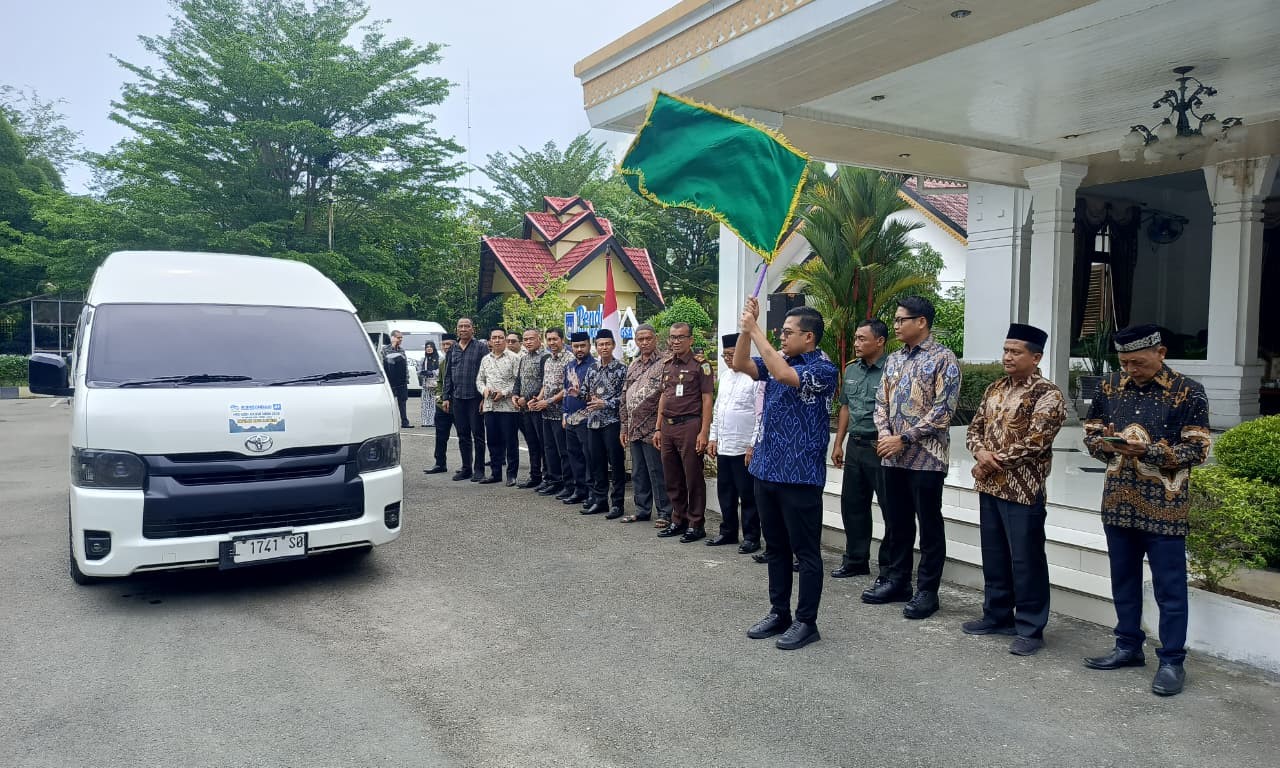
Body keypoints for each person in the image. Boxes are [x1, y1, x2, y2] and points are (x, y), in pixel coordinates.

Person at [1081, 323, 1209, 697]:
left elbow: (1198, 449)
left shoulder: (1189, 392)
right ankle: (1127, 647)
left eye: (1137, 362)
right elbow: (1090, 430)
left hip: (1165, 505)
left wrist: (1150, 452)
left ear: (1161, 353)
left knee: (1170, 589)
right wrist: (1104, 444)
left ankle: (1171, 661)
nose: (1131, 370)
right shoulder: (1109, 386)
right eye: (1124, 363)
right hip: (1118, 500)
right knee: (1123, 580)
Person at [731, 301, 837, 651]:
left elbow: (782, 377)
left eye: (788, 332)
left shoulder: (823, 369)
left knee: (805, 553)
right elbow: (741, 363)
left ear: (809, 337)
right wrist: (747, 332)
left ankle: (807, 621)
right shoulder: (782, 359)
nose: (782, 337)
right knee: (775, 547)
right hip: (766, 469)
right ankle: (779, 612)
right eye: (781, 332)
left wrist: (757, 330)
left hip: (800, 476)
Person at [962, 323, 1067, 657]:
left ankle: (1030, 627)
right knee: (994, 555)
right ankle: (997, 615)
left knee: (1026, 560)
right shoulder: (995, 388)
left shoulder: (1048, 395)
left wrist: (989, 462)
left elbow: (1035, 443)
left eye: (1016, 351)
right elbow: (974, 428)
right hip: (991, 486)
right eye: (1006, 350)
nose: (1007, 356)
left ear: (1035, 357)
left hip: (1024, 490)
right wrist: (979, 453)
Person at [867, 296, 962, 620]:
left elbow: (943, 411)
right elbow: (881, 401)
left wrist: (904, 438)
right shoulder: (893, 360)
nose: (895, 326)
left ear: (921, 321)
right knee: (897, 522)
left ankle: (927, 591)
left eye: (900, 320)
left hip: (926, 458)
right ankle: (897, 581)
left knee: (929, 524)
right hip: (892, 456)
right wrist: (884, 434)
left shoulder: (943, 359)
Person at [830, 319, 888, 578]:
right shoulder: (852, 370)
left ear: (880, 341)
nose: (856, 343)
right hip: (855, 444)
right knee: (852, 505)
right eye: (855, 338)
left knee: (890, 508)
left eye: (862, 339)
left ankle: (889, 568)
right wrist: (838, 442)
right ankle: (855, 559)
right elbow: (845, 406)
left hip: (881, 446)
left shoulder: (891, 370)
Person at [654, 322, 714, 542]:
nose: (676, 341)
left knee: (693, 477)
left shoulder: (701, 366)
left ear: (691, 340)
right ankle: (678, 519)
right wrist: (659, 427)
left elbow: (707, 399)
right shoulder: (667, 364)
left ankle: (696, 524)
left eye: (681, 337)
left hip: (690, 425)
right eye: (672, 337)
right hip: (668, 426)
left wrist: (704, 431)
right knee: (672, 476)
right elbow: (664, 396)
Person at [707, 332, 762, 552]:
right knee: (726, 493)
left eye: (732, 354)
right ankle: (728, 532)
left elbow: (759, 414)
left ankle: (751, 536)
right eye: (725, 355)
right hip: (725, 446)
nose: (728, 359)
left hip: (744, 447)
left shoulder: (754, 377)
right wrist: (713, 437)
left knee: (747, 495)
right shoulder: (725, 377)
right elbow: (718, 410)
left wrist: (753, 444)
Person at [619, 324, 673, 525]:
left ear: (655, 339)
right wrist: (624, 426)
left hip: (653, 428)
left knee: (656, 471)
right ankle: (642, 510)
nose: (644, 343)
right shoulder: (633, 365)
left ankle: (665, 512)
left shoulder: (664, 362)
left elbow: (665, 394)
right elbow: (624, 396)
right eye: (640, 339)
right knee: (638, 472)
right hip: (634, 428)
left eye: (648, 338)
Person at [582, 329, 628, 517]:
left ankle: (617, 504)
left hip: (612, 422)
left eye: (607, 344)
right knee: (596, 463)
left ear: (613, 345)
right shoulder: (592, 368)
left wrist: (606, 403)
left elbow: (625, 397)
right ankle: (600, 500)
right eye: (600, 344)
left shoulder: (621, 368)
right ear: (596, 346)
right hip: (593, 422)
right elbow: (585, 391)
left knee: (616, 464)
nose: (604, 347)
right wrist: (579, 392)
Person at [442, 317, 487, 482]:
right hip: (457, 398)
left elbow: (486, 374)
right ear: (457, 330)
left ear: (472, 329)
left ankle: (479, 470)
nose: (463, 329)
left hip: (475, 398)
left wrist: (484, 398)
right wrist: (446, 397)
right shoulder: (453, 348)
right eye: (460, 326)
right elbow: (448, 375)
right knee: (463, 435)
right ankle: (466, 468)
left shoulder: (481, 348)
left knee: (478, 435)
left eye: (467, 326)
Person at [476, 327, 521, 485]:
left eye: (500, 337)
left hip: (508, 407)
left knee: (510, 441)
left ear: (505, 339)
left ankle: (511, 475)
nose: (497, 340)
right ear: (490, 340)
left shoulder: (514, 358)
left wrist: (504, 392)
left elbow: (517, 381)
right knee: (493, 441)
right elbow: (479, 380)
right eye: (494, 337)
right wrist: (484, 390)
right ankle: (495, 473)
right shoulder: (485, 359)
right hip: (490, 406)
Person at [531, 327, 571, 498]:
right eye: (549, 339)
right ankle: (554, 482)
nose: (552, 343)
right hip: (546, 412)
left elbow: (567, 389)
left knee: (564, 451)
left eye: (555, 339)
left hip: (561, 413)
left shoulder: (569, 359)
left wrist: (546, 401)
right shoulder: (548, 360)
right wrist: (537, 398)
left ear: (562, 340)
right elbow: (545, 385)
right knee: (549, 449)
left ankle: (567, 484)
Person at [561, 331, 597, 506]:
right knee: (574, 456)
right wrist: (564, 414)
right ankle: (579, 489)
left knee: (588, 457)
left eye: (583, 345)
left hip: (587, 419)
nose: (579, 349)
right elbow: (566, 391)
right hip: (570, 419)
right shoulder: (568, 366)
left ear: (589, 346)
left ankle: (592, 492)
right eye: (576, 346)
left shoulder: (595, 366)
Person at [513, 328, 548, 490]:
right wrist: (515, 394)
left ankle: (548, 477)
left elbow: (544, 383)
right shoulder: (524, 358)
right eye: (525, 339)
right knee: (532, 444)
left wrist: (526, 398)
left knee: (544, 444)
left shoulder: (545, 357)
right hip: (525, 409)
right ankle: (535, 476)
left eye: (531, 339)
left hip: (538, 407)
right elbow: (519, 379)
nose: (528, 342)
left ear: (539, 339)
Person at [424, 334, 457, 475]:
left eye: (448, 344)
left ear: (455, 344)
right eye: (443, 345)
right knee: (441, 436)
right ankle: (440, 463)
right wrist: (439, 397)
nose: (446, 347)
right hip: (442, 405)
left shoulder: (460, 361)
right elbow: (439, 382)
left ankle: (468, 466)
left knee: (465, 437)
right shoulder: (443, 362)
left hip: (459, 404)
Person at [381, 329, 412, 429]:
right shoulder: (385, 349)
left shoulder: (402, 350)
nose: (400, 339)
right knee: (390, 402)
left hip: (401, 381)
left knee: (402, 402)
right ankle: (389, 422)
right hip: (390, 381)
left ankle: (405, 421)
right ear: (393, 338)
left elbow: (404, 365)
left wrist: (406, 378)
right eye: (398, 337)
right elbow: (385, 363)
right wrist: (393, 346)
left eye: (401, 337)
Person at [418, 340, 441, 427]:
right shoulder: (423, 359)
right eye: (427, 347)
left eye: (430, 347)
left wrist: (432, 372)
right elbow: (418, 370)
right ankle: (426, 422)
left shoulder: (439, 358)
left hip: (435, 384)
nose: (429, 349)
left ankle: (434, 421)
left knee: (435, 403)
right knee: (425, 403)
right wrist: (423, 372)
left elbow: (441, 370)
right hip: (426, 384)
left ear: (434, 348)